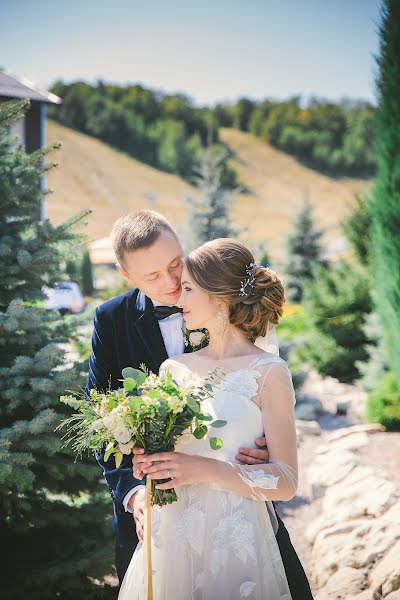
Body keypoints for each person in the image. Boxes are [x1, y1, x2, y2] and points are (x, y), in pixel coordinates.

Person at [86, 210, 313, 599]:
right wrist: (135, 490)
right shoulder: (112, 321)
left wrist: (256, 446)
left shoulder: (214, 283)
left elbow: (263, 417)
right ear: (128, 278)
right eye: (153, 277)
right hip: (160, 523)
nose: (174, 284)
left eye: (176, 265)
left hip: (240, 518)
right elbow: (104, 422)